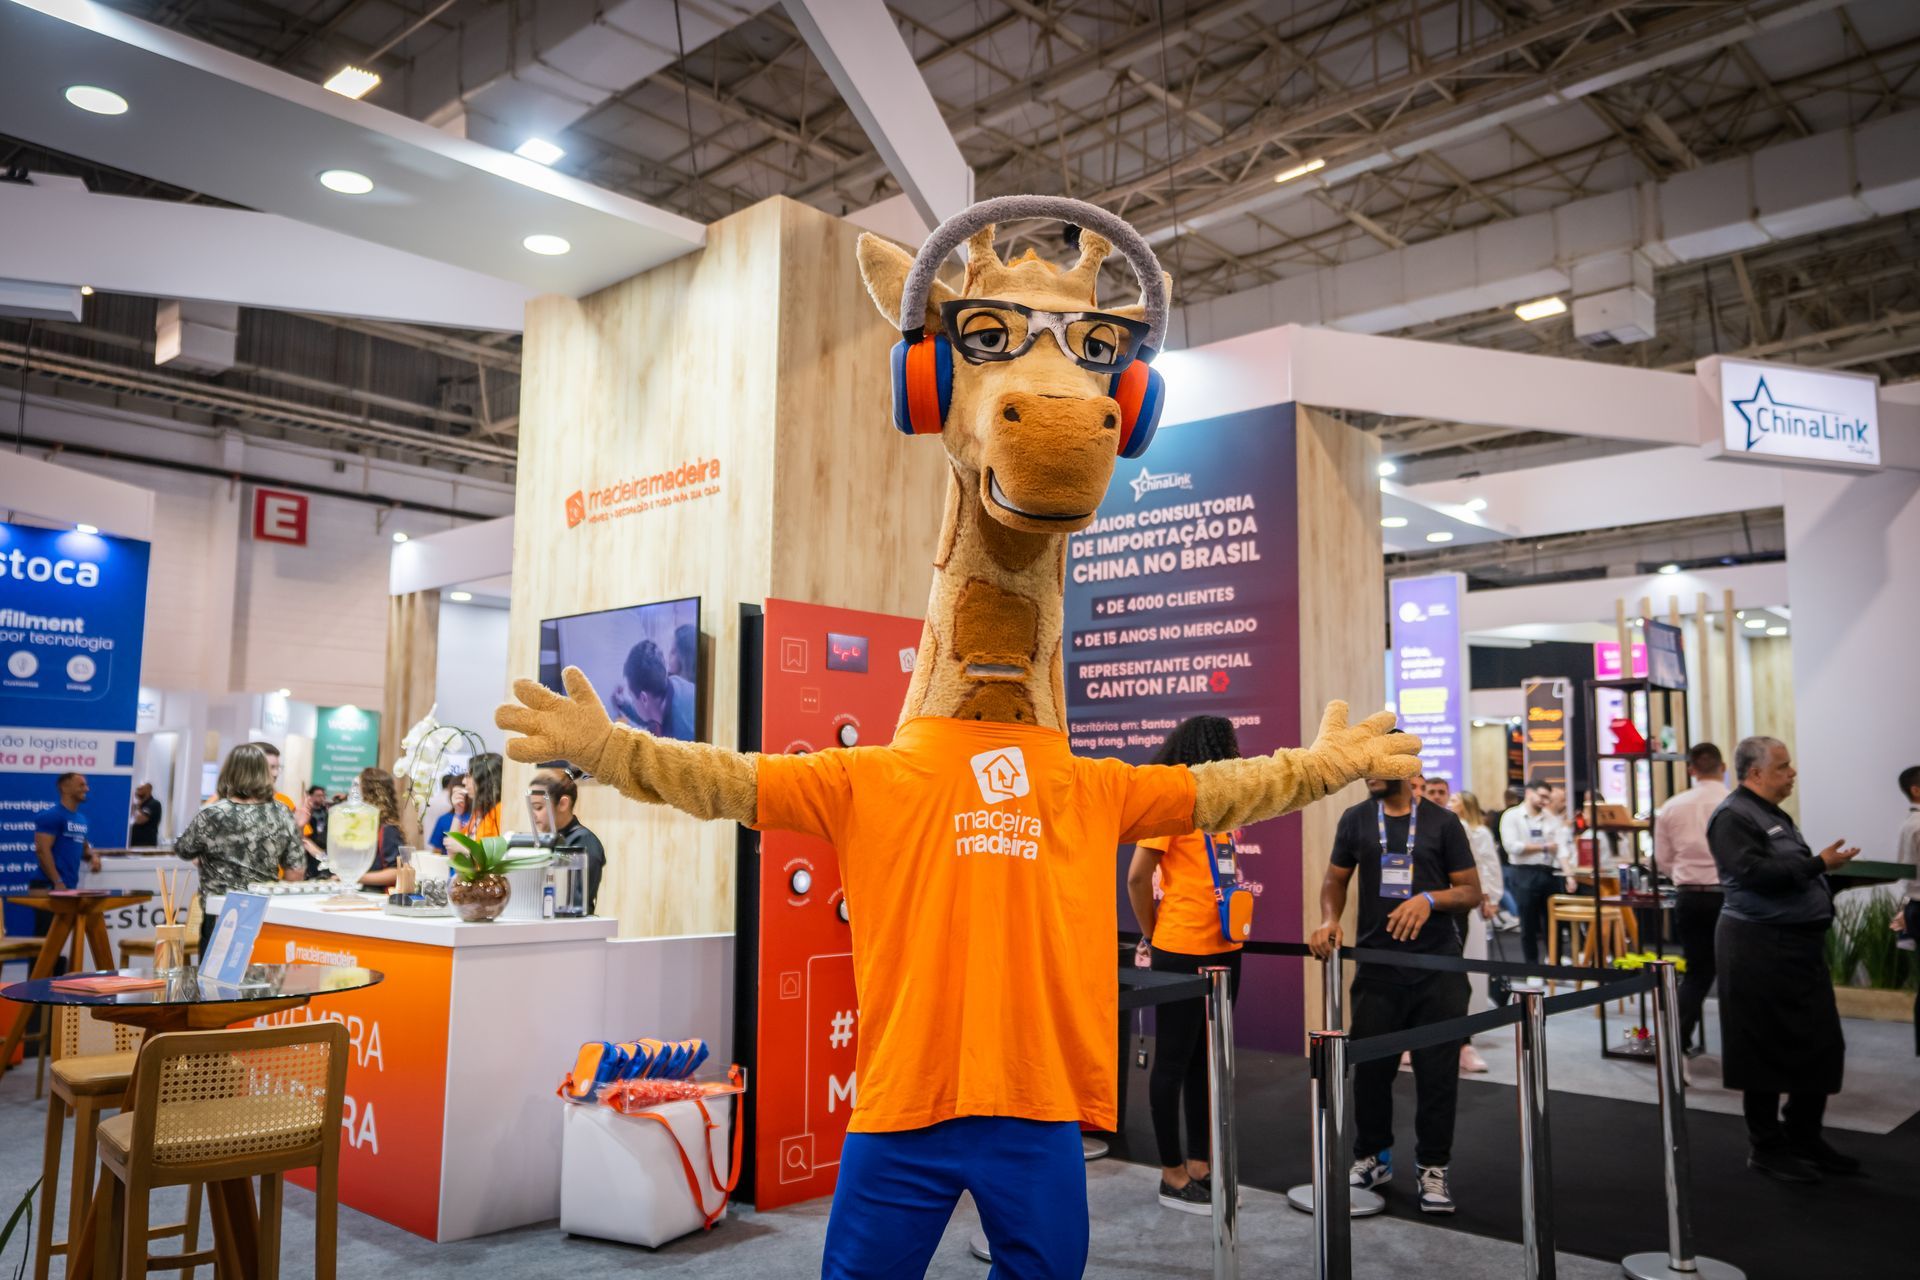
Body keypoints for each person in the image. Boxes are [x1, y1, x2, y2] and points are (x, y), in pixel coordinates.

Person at [1312, 774, 1481, 1213]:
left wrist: (1429, 899)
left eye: (1378, 765)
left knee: (1437, 1076)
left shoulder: (1443, 823)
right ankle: (1372, 1158)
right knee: (1371, 1073)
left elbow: (1470, 891)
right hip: (1377, 969)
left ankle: (1433, 1167)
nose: (1370, 773)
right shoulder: (1355, 819)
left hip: (1437, 969)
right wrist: (1330, 918)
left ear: (1406, 769)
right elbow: (1335, 879)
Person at [1707, 735, 1860, 1183]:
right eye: (1783, 767)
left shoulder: (1772, 814)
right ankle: (1767, 1147)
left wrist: (1829, 877)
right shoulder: (1732, 816)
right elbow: (1754, 874)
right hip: (1758, 948)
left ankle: (1804, 1136)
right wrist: (1819, 865)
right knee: (1763, 1049)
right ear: (1755, 773)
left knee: (1820, 1045)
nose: (1792, 773)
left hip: (1796, 949)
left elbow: (1786, 872)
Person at [1123, 716, 1244, 1214]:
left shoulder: (1222, 809)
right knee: (1173, 1061)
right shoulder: (1173, 806)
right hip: (1181, 950)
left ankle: (1200, 1164)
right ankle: (1171, 1173)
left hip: (1226, 947)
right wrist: (1154, 935)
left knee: (1203, 1060)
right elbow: (1137, 878)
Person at [173, 745, 304, 954]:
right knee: (262, 971)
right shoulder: (282, 813)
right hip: (264, 913)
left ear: (230, 772)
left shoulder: (213, 814)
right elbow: (295, 871)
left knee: (216, 972)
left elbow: (183, 849)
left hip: (219, 912)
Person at [1654, 743, 1731, 1053]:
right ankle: (1740, 1045)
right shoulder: (1734, 803)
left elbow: (1663, 860)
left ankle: (1678, 1040)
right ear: (1723, 767)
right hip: (1729, 897)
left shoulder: (1672, 806)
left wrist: (1684, 875)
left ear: (1690, 769)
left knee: (1697, 971)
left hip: (1689, 896)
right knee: (1736, 971)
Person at [1448, 790, 1504, 1073]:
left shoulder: (1477, 832)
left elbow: (1487, 866)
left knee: (1464, 970)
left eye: (1450, 797)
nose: (1447, 802)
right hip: (1444, 904)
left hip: (1467, 903)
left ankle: (1464, 1041)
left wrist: (1490, 897)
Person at [1499, 779, 1577, 964]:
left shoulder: (1551, 819)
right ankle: (1532, 966)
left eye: (1547, 798)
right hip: (1523, 872)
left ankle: (1554, 963)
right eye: (1542, 796)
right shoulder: (1512, 816)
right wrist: (1543, 847)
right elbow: (1512, 847)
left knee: (1554, 922)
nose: (1545, 801)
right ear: (1529, 793)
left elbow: (1561, 850)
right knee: (1528, 923)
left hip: (1549, 873)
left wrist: (1569, 875)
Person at [530, 770, 606, 915]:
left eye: (538, 807)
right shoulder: (546, 841)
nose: (534, 815)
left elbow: (576, 902)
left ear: (563, 804)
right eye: (531, 807)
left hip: (571, 926)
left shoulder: (584, 842)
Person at [616, 639, 695, 740]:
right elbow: (649, 714)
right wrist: (623, 704)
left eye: (632, 698)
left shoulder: (683, 735)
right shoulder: (671, 683)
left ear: (644, 698)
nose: (633, 702)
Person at [354, 767, 405, 889]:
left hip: (376, 896)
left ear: (369, 792)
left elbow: (395, 872)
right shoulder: (366, 824)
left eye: (356, 787)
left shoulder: (388, 829)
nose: (352, 792)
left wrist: (354, 877)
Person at [461, 753, 504, 837]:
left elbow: (496, 845)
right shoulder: (479, 811)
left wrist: (462, 846)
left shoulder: (500, 811)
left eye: (469, 776)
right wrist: (457, 812)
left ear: (484, 780)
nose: (464, 781)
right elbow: (455, 841)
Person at [428, 774, 469, 853]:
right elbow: (437, 850)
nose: (458, 797)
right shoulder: (443, 819)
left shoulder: (476, 816)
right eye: (454, 793)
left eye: (462, 793)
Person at [128, 782, 163, 847]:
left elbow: (139, 819)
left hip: (146, 844)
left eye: (141, 789)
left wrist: (136, 806)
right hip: (134, 843)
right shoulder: (139, 805)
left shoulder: (154, 804)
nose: (138, 791)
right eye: (137, 789)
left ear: (149, 789)